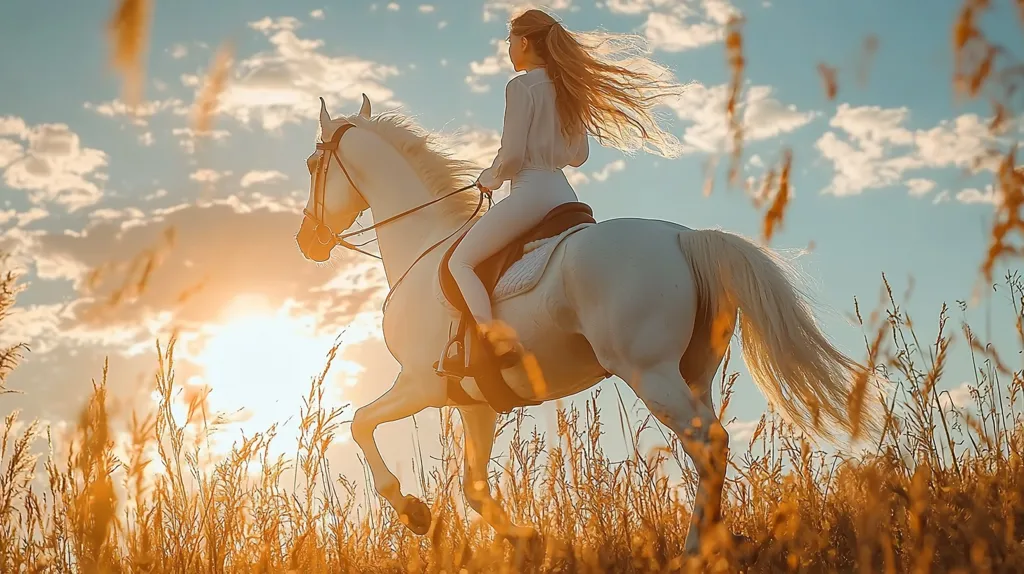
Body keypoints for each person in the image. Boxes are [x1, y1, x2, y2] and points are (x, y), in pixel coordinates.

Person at [446, 8, 689, 369]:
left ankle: (491, 342)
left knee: (460, 261)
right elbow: (578, 156)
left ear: (525, 42)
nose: (509, 48)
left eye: (510, 41)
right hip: (564, 196)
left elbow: (512, 155)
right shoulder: (569, 89)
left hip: (529, 192)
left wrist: (491, 176)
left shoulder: (520, 86)